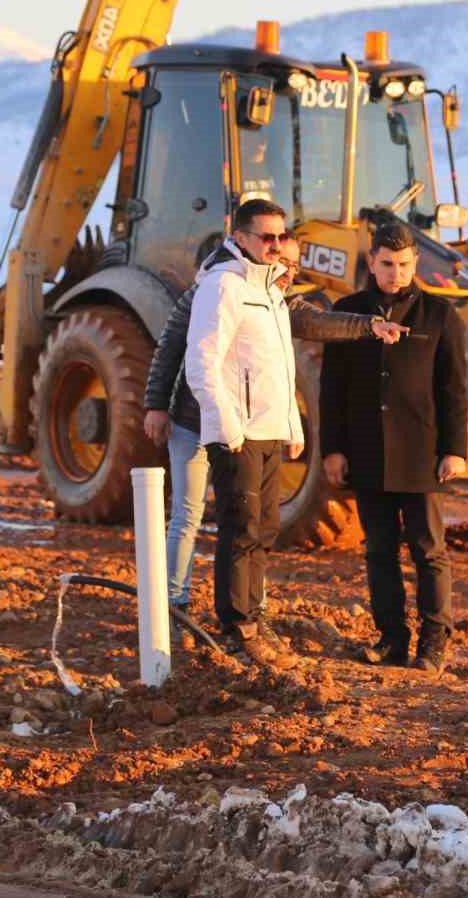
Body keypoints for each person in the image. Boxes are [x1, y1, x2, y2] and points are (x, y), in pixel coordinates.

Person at [142, 236, 404, 616]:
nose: (290, 272)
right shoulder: (213, 291)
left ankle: (252, 603)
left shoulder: (277, 303)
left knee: (253, 523)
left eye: (296, 266)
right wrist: (156, 405)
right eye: (285, 261)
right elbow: (173, 348)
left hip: (241, 430)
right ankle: (173, 601)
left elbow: (314, 324)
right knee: (189, 514)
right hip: (193, 422)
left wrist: (369, 326)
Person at [320, 218, 468, 674]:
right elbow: (332, 389)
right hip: (367, 452)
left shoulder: (440, 316)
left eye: (404, 264)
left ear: (415, 262)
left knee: (428, 549)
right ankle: (392, 640)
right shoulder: (346, 313)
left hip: (422, 454)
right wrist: (333, 448)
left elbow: (454, 388)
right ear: (372, 261)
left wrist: (454, 449)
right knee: (378, 550)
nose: (396, 273)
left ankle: (433, 642)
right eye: (387, 264)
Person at [181, 200, 311, 666]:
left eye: (281, 237)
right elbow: (203, 362)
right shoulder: (224, 286)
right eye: (266, 237)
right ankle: (237, 626)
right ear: (240, 238)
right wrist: (227, 425)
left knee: (266, 527)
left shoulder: (272, 291)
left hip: (271, 429)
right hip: (239, 432)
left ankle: (256, 615)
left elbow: (281, 366)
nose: (276, 245)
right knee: (241, 527)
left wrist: (292, 423)